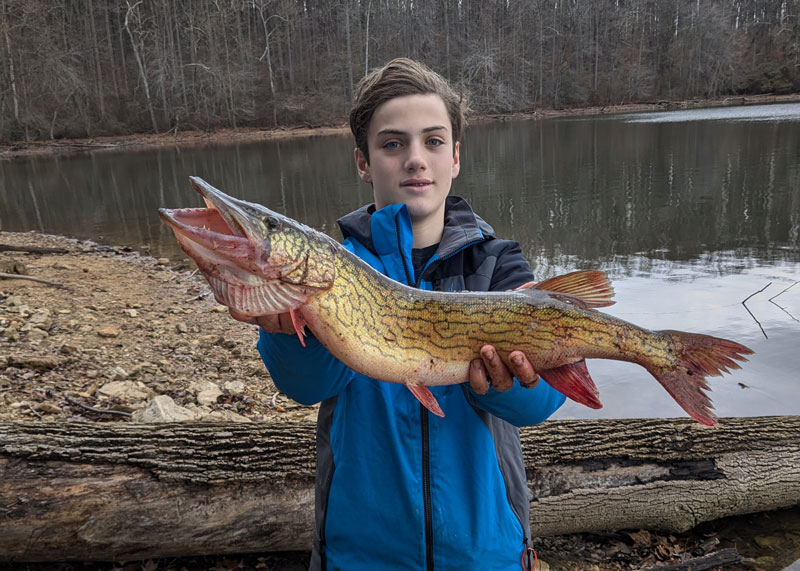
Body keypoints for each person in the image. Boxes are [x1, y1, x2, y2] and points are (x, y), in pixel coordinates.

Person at [234, 58, 566, 570]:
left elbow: (539, 405)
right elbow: (304, 385)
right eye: (393, 144)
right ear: (363, 163)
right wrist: (287, 330)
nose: (415, 159)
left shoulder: (497, 263)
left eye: (433, 142)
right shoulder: (335, 268)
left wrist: (510, 384)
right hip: (362, 554)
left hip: (484, 554)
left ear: (455, 158)